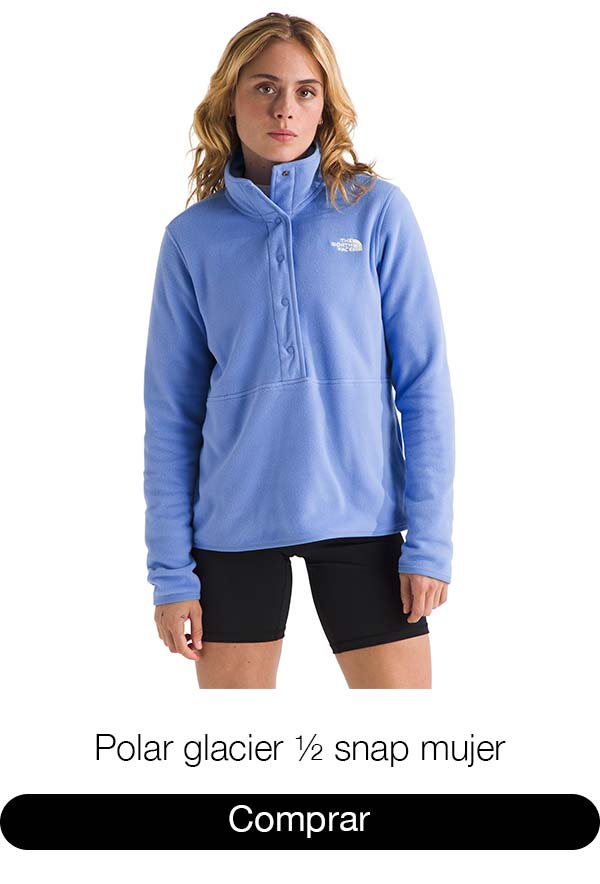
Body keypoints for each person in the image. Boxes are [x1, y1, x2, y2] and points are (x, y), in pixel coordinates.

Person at [143, 12, 455, 689]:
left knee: (404, 740)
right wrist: (171, 574)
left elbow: (424, 384)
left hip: (364, 516)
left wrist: (430, 542)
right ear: (231, 100)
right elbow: (170, 415)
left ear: (324, 106)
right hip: (231, 526)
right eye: (264, 87)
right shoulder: (191, 239)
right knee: (238, 745)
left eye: (305, 91)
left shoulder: (376, 211)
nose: (284, 108)